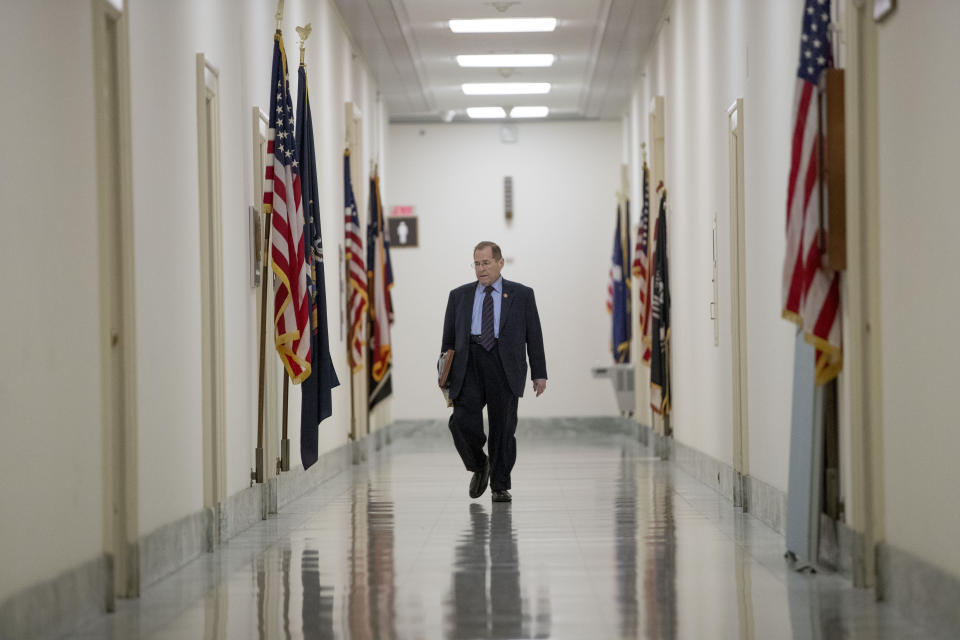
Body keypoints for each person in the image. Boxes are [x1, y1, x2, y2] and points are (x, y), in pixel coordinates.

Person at [441, 241, 547, 502]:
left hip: (504, 364)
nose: (480, 269)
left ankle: (500, 484)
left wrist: (539, 373)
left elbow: (534, 336)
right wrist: (444, 373)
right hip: (469, 364)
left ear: (501, 263)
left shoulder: (522, 295)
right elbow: (449, 341)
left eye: (486, 263)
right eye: (476, 263)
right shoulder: (459, 296)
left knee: (503, 427)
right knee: (461, 422)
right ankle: (479, 464)